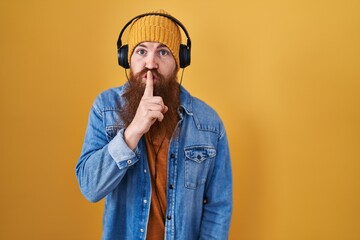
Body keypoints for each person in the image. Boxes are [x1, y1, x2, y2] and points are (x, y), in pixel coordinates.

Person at [76, 9, 232, 240]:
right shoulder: (105, 108)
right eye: (141, 51)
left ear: (180, 61)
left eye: (163, 52)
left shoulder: (208, 123)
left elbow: (218, 206)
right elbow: (90, 188)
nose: (151, 63)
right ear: (126, 58)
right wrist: (133, 131)